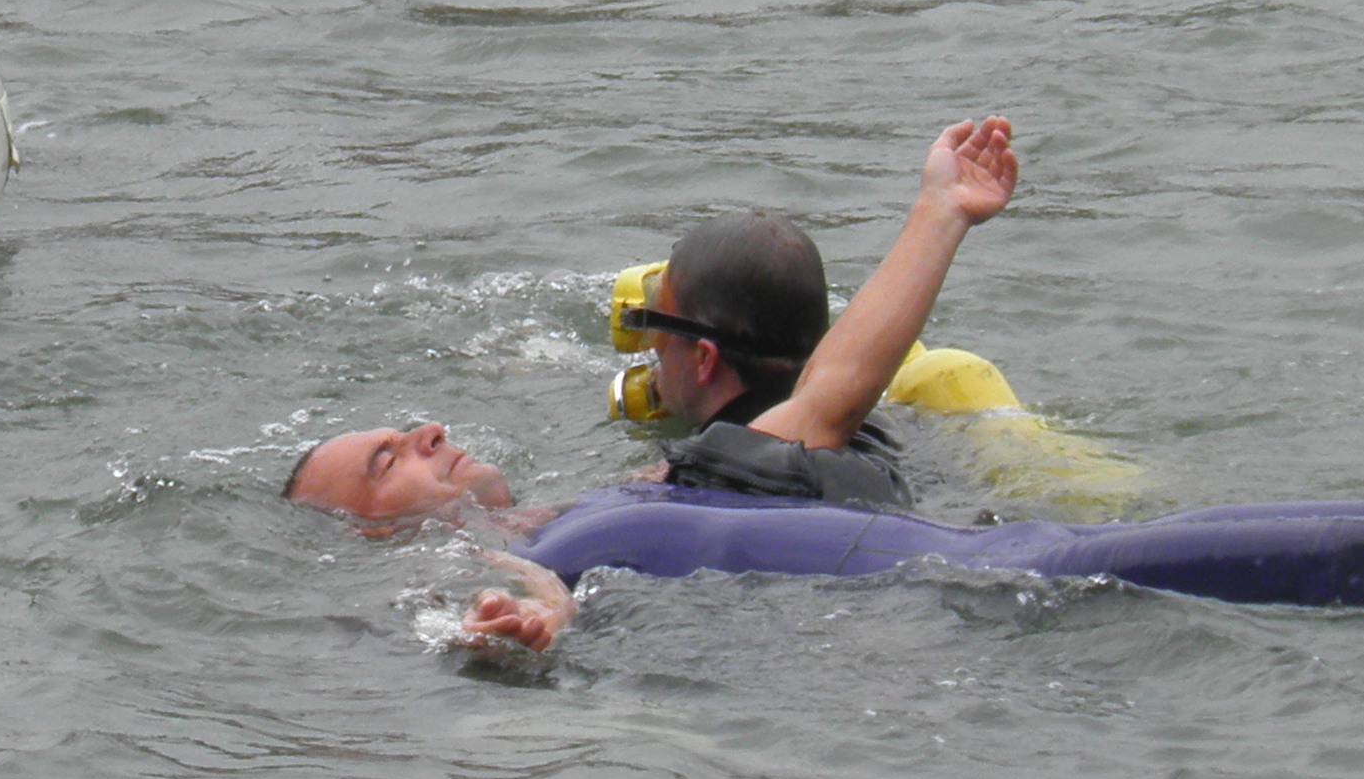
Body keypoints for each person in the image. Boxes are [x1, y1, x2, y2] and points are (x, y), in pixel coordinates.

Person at [285, 116, 1019, 660]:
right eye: (389, 460)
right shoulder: (497, 553)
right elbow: (514, 599)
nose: (428, 432)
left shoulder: (690, 482)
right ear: (367, 529)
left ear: (702, 361)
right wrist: (538, 624)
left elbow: (831, 397)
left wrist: (940, 210)